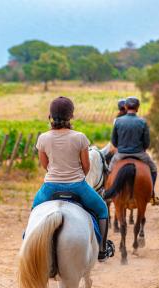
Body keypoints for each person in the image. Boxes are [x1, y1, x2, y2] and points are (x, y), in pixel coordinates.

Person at [33, 96, 115, 262]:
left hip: (50, 187)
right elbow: (86, 166)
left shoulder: (43, 138)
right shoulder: (80, 137)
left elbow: (45, 165)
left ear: (50, 116)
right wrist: (75, 176)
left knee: (34, 212)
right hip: (77, 185)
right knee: (102, 210)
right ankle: (102, 250)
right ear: (71, 117)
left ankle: (28, 241)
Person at [109, 97, 159, 206]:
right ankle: (151, 194)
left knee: (109, 169)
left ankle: (109, 194)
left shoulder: (118, 121)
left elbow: (114, 141)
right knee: (153, 169)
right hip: (139, 153)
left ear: (126, 107)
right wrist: (142, 149)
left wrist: (121, 147)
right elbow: (146, 142)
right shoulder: (142, 122)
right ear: (137, 108)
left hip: (121, 154)